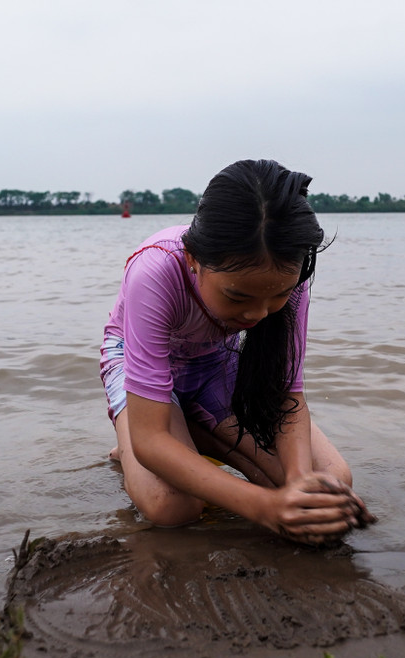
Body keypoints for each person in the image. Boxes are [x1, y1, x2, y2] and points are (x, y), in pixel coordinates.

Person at [100, 159, 374, 547]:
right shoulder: (155, 270)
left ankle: (196, 433)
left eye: (277, 296)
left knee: (331, 478)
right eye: (238, 296)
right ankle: (153, 440)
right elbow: (151, 439)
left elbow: (287, 395)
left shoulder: (287, 273)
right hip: (135, 364)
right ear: (194, 259)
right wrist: (265, 507)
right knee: (172, 508)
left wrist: (299, 486)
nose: (258, 314)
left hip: (212, 360)